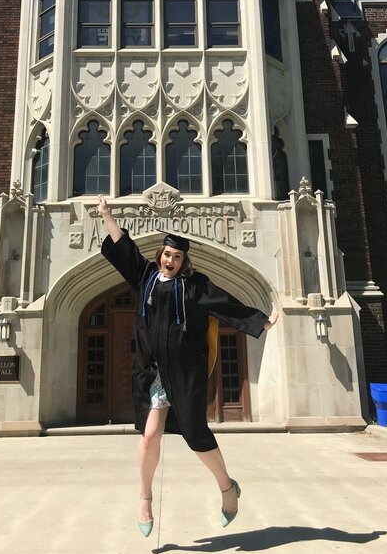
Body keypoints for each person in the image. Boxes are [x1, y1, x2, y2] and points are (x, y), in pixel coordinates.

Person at [96, 194, 279, 536]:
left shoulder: (194, 287)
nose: (171, 261)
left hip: (185, 375)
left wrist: (260, 322)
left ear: (183, 262)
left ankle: (227, 487)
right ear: (160, 256)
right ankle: (145, 500)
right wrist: (107, 216)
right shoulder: (147, 278)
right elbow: (125, 250)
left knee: (195, 435)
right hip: (153, 375)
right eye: (167, 255)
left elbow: (225, 303)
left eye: (177, 257)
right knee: (149, 437)